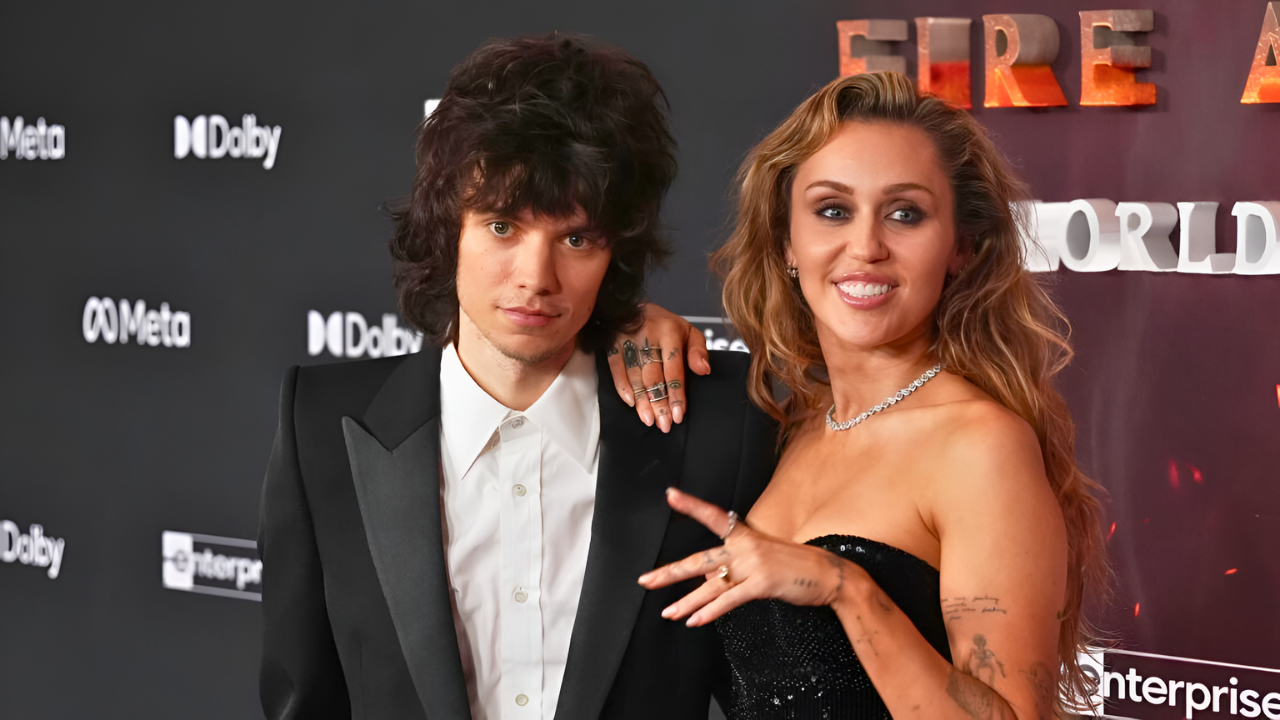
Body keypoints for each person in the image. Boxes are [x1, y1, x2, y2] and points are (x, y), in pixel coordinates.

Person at [257, 34, 777, 720]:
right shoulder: (324, 425)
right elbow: (302, 699)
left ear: (616, 253)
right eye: (502, 227)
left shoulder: (717, 426)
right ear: (448, 231)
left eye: (576, 239)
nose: (536, 278)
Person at [637, 71, 1107, 719]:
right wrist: (633, 327)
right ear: (787, 243)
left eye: (905, 214)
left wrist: (846, 588)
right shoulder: (788, 428)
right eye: (833, 210)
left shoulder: (980, 446)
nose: (866, 247)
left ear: (961, 248)